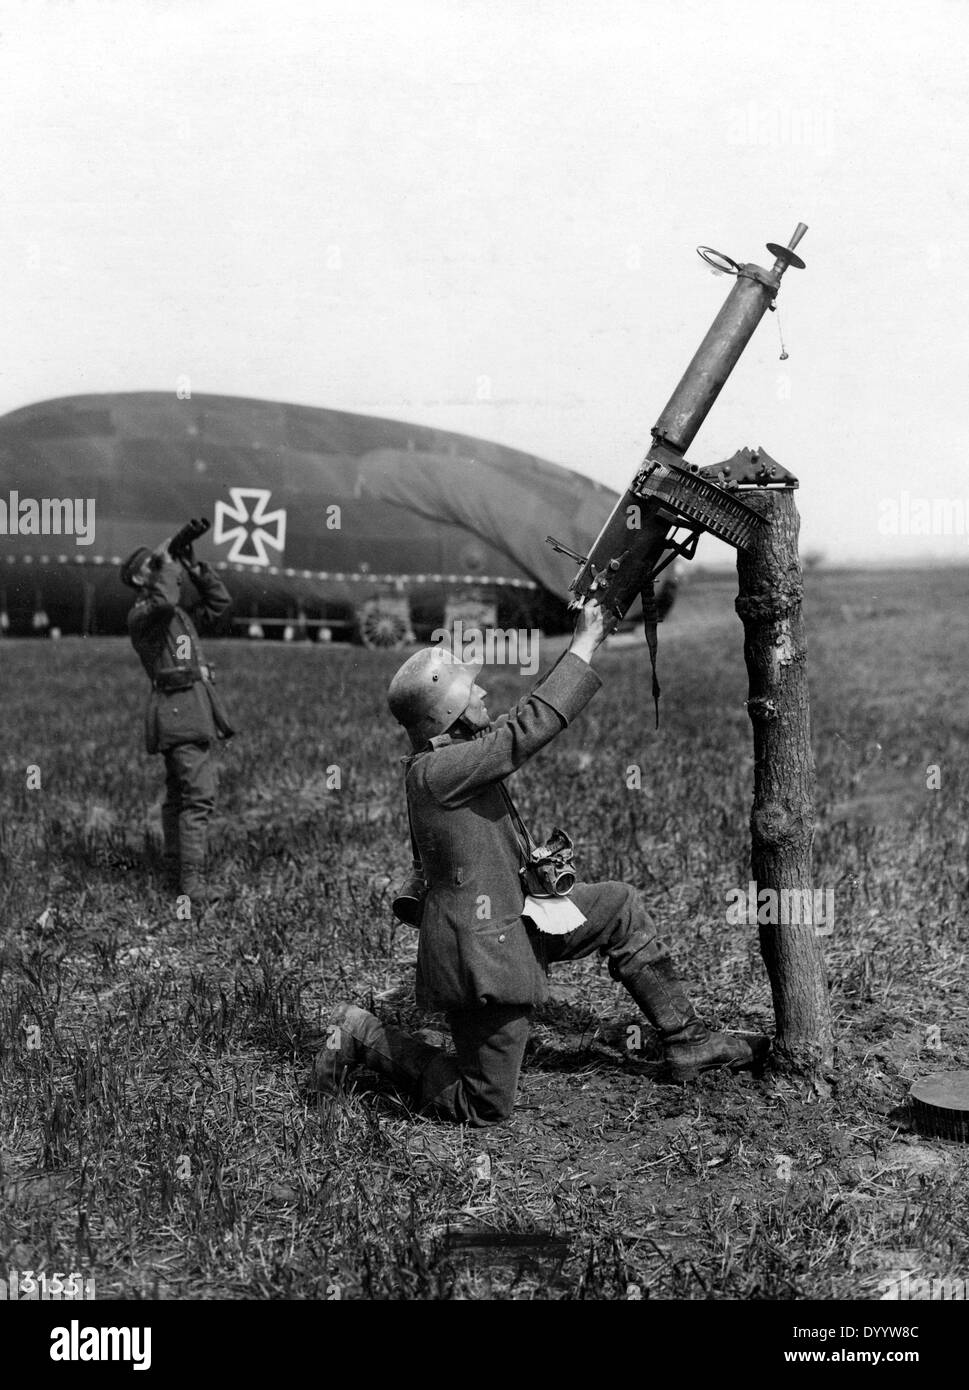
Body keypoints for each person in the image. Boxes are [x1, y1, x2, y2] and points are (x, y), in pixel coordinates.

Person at [312, 600, 768, 1126]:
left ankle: (689, 1041)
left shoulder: (456, 759)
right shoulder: (437, 772)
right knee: (485, 1103)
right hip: (485, 955)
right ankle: (363, 1036)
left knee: (618, 906)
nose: (483, 692)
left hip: (520, 920)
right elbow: (523, 732)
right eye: (470, 690)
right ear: (446, 713)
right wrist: (585, 643)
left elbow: (511, 728)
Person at [120, 536, 235, 906]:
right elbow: (165, 598)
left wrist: (196, 569)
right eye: (154, 569)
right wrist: (166, 563)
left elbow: (219, 606)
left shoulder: (172, 616)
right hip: (178, 713)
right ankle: (192, 881)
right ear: (141, 580)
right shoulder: (145, 614)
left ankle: (175, 868)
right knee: (198, 797)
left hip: (189, 709)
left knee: (179, 796)